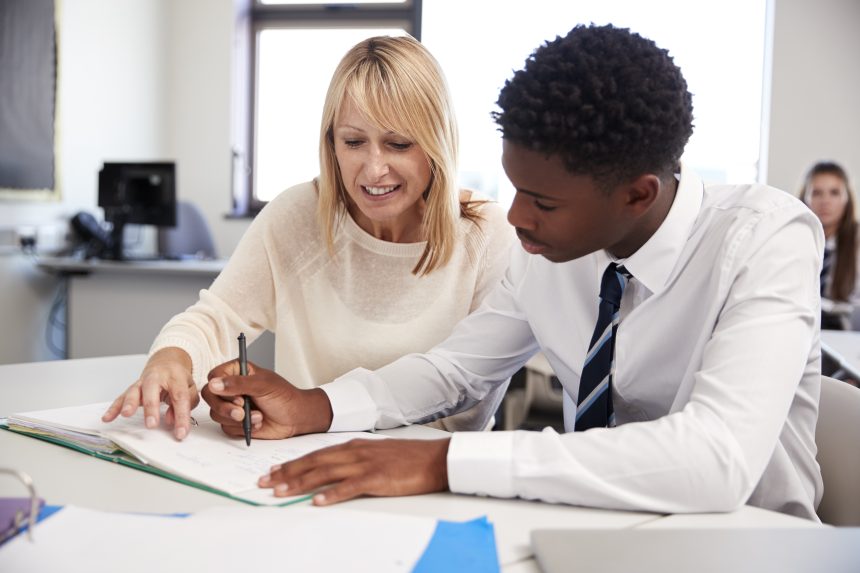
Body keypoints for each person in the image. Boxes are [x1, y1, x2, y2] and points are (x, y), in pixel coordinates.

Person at [202, 24, 823, 520]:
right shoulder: (546, 251)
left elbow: (715, 459)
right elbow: (453, 371)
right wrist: (316, 406)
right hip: (594, 529)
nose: (517, 217)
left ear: (637, 195)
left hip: (749, 540)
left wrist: (447, 461)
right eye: (516, 188)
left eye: (544, 203)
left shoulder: (766, 238)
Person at [101, 35, 515, 438]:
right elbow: (217, 318)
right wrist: (172, 357)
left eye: (398, 144)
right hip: (303, 464)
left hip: (431, 474)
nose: (373, 170)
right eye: (353, 141)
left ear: (437, 144)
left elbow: (468, 408)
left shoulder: (485, 233)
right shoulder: (299, 214)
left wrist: (308, 412)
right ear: (331, 142)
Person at [799, 161, 859, 330]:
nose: (825, 201)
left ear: (847, 198)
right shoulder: (792, 241)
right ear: (805, 197)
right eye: (817, 193)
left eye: (834, 193)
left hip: (844, 336)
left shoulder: (857, 243)